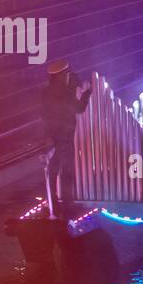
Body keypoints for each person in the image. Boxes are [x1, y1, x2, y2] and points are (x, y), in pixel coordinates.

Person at [40, 60, 92, 217]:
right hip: (65, 135)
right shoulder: (64, 91)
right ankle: (67, 204)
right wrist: (86, 94)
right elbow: (79, 108)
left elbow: (44, 115)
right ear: (60, 75)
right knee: (67, 170)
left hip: (53, 135)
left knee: (53, 169)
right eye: (66, 73)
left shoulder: (46, 91)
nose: (68, 75)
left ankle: (53, 201)